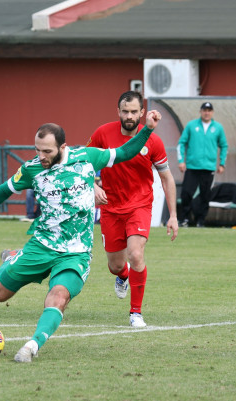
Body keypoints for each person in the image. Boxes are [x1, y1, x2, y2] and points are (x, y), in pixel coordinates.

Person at [0, 110, 164, 363]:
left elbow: (124, 153)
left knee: (58, 296)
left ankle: (32, 346)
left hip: (75, 252)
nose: (41, 156)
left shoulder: (87, 157)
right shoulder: (32, 169)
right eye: (37, 150)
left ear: (62, 146)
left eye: (47, 151)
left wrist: (147, 129)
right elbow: (5, 189)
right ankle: (14, 257)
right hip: (42, 244)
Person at [87, 91, 178, 328]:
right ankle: (123, 275)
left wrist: (173, 216)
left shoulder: (153, 141)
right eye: (125, 111)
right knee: (115, 265)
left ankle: (135, 313)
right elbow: (83, 164)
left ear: (142, 113)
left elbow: (167, 178)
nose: (129, 116)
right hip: (110, 207)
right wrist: (93, 186)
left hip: (140, 205)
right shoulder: (102, 133)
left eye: (134, 111)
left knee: (136, 254)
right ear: (118, 111)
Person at [176, 101, 228, 227]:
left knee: (205, 196)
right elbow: (181, 143)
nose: (207, 113)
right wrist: (181, 161)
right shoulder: (191, 125)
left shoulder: (218, 127)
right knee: (186, 193)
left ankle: (201, 220)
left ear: (212, 112)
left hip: (208, 167)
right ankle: (184, 219)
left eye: (209, 110)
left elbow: (224, 146)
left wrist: (222, 164)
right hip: (193, 166)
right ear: (200, 111)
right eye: (204, 110)